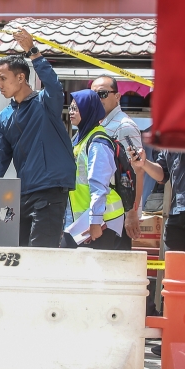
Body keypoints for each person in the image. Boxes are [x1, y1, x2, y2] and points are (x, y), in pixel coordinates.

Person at [0, 29, 76, 247]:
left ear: (21, 77)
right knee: (20, 257)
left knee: (41, 257)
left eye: (2, 78)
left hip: (50, 192)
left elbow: (55, 87)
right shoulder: (5, 116)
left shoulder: (46, 103)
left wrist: (33, 52)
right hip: (23, 194)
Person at [63, 89, 125, 249]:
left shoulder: (98, 142)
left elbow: (99, 184)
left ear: (88, 110)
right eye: (70, 108)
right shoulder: (79, 138)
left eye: (76, 108)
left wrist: (95, 221)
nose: (71, 112)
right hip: (84, 219)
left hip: (101, 221)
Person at [91, 75, 143, 247]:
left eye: (102, 94)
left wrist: (132, 212)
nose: (97, 99)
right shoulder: (98, 125)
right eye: (93, 95)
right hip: (101, 214)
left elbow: (135, 171)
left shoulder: (124, 126)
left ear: (117, 97)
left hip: (118, 216)